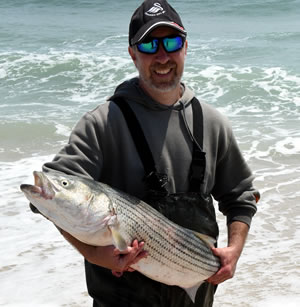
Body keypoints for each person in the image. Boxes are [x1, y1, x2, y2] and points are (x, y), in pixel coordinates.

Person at [41, 0, 259, 306]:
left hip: (196, 296)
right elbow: (52, 200)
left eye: (172, 42)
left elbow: (242, 197)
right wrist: (94, 253)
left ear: (185, 47)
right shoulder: (103, 123)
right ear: (132, 54)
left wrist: (234, 251)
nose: (162, 56)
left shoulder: (211, 123)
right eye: (149, 45)